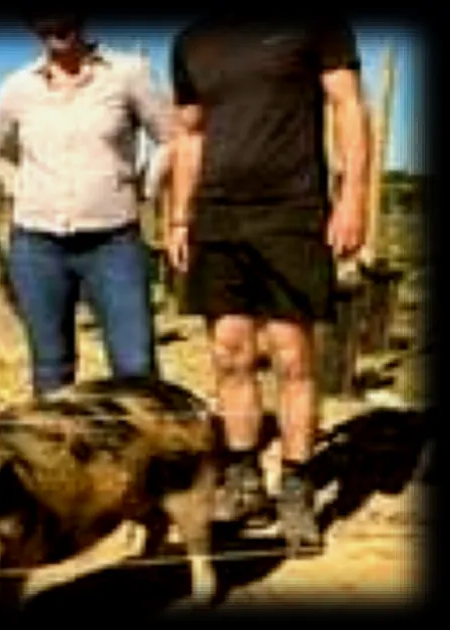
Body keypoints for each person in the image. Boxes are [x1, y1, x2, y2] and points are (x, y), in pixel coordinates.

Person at [166, 17, 369, 551]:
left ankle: (297, 489)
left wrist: (352, 198)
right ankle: (244, 479)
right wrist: (180, 218)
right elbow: (189, 134)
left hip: (292, 211)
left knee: (291, 356)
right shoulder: (191, 39)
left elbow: (347, 104)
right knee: (229, 353)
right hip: (216, 215)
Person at [0, 15, 173, 399]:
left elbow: (169, 137)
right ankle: (56, 454)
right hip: (37, 246)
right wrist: (21, 188)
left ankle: (146, 452)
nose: (55, 26)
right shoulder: (17, 87)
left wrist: (144, 186)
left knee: (135, 365)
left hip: (113, 242)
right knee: (51, 367)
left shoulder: (128, 73)